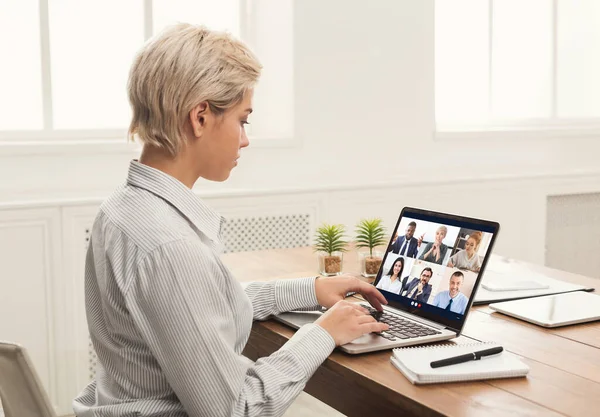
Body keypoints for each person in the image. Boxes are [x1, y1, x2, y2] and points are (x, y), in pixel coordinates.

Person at [72, 24, 389, 417]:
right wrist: (322, 333)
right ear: (201, 116)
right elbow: (235, 410)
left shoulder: (123, 209)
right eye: (243, 120)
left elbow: (203, 309)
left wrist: (313, 288)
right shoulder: (170, 247)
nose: (245, 139)